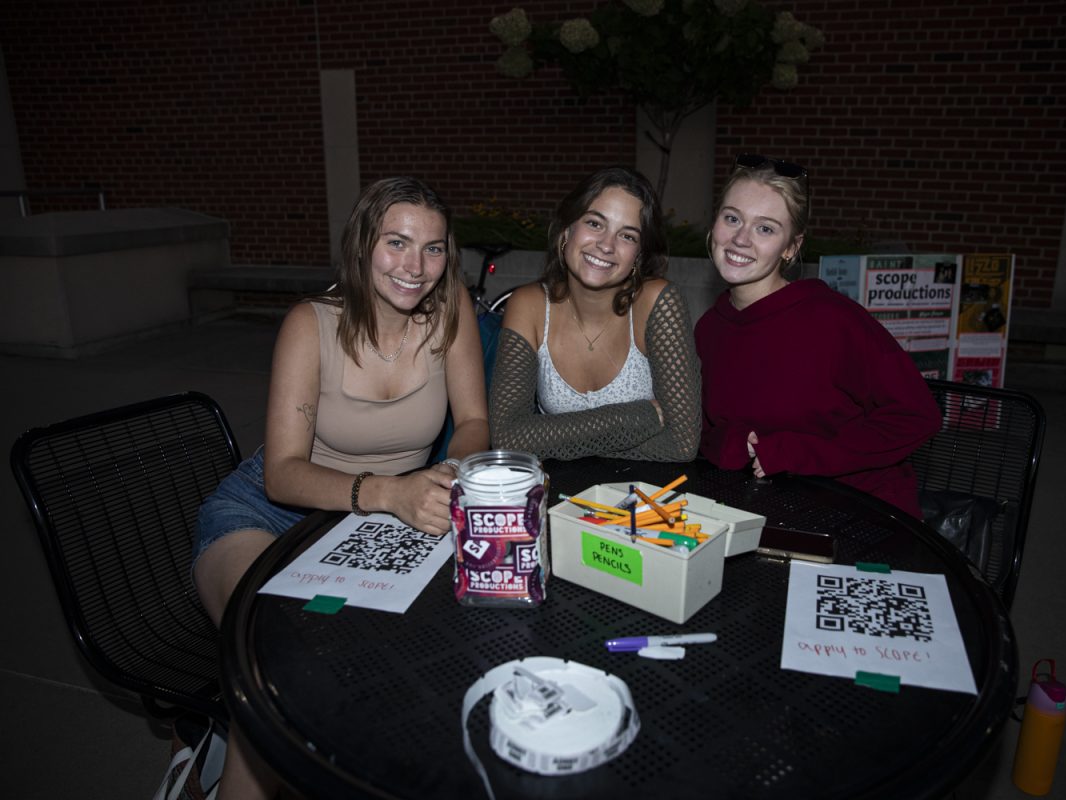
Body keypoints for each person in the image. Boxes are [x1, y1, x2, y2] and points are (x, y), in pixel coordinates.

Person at [192, 176, 488, 798]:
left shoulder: (451, 306)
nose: (416, 266)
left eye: (433, 248)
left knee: (386, 666)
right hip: (263, 515)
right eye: (397, 243)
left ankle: (213, 735)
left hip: (372, 519)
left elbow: (473, 423)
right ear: (361, 245)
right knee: (274, 673)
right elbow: (282, 472)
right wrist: (393, 492)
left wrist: (445, 473)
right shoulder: (311, 323)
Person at [694, 155, 940, 517]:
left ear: (791, 247)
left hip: (858, 509)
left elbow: (917, 415)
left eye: (766, 228)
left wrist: (797, 453)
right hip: (762, 505)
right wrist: (731, 443)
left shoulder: (833, 319)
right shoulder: (710, 328)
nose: (741, 239)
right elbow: (702, 431)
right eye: (732, 218)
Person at [489, 166, 700, 461]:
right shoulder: (529, 305)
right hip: (559, 497)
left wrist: (551, 440)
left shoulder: (656, 302)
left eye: (627, 236)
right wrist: (638, 418)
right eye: (595, 223)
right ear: (567, 229)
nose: (606, 245)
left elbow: (682, 445)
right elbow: (508, 438)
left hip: (644, 495)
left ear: (638, 255)